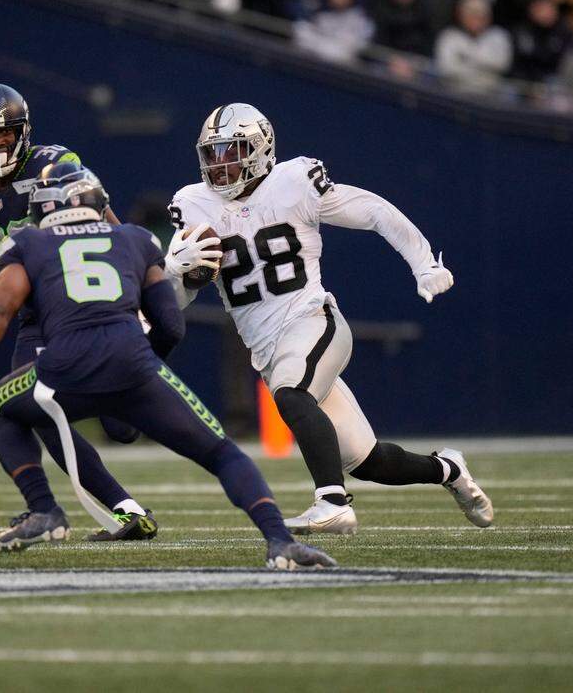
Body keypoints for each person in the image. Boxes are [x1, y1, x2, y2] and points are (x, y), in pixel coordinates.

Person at [0, 165, 337, 570]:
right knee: (221, 452)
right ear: (98, 202)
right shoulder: (136, 239)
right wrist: (145, 370)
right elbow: (170, 325)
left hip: (64, 367)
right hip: (133, 361)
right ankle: (279, 542)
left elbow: (0, 308)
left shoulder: (28, 244)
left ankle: (44, 509)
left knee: (2, 408)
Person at [164, 103, 493, 534]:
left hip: (313, 321)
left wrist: (424, 263)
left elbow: (373, 211)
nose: (221, 163)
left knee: (291, 395)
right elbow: (178, 300)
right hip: (269, 349)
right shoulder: (193, 205)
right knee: (368, 460)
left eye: (232, 150)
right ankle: (449, 469)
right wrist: (175, 271)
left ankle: (331, 502)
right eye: (214, 153)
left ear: (261, 149)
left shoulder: (294, 182)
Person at [0, 83, 152, 547]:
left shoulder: (57, 167)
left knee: (120, 428)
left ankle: (115, 422)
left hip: (81, 303)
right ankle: (112, 508)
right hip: (32, 312)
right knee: (32, 407)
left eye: (4, 135)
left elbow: (114, 237)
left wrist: (133, 304)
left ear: (23, 132)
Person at [292, 0, 375, 64]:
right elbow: (301, 39)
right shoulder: (312, 9)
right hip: (312, 66)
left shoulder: (361, 18)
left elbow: (358, 49)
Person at [434, 0, 514, 93]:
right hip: (454, 94)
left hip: (490, 95)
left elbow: (502, 64)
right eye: (471, 14)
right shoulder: (449, 36)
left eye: (481, 15)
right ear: (461, 16)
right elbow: (447, 68)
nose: (476, 19)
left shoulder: (498, 36)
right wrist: (484, 69)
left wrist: (466, 57)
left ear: (489, 17)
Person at [511, 0, 571, 82]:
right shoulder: (521, 31)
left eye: (550, 8)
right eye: (541, 9)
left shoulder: (563, 33)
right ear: (531, 10)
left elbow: (561, 62)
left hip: (550, 80)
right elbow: (519, 60)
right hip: (522, 79)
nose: (546, 13)